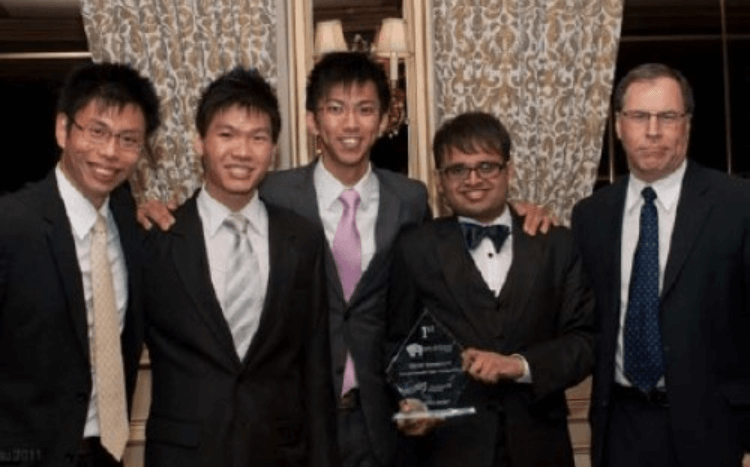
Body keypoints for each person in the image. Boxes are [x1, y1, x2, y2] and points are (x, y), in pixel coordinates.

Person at [140, 67, 339, 467]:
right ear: (200, 142)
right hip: (185, 454)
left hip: (280, 452)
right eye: (226, 134)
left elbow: (315, 366)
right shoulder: (156, 237)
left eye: (257, 137)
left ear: (273, 148)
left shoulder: (303, 239)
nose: (242, 151)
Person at [387, 111, 595, 467]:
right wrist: (414, 400)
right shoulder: (414, 247)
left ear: (508, 171)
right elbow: (396, 341)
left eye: (486, 166)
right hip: (448, 449)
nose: (473, 179)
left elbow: (587, 340)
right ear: (440, 180)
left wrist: (520, 366)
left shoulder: (557, 244)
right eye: (458, 169)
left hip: (541, 449)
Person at [571, 63, 750, 467]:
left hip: (718, 432)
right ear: (618, 125)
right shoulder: (590, 216)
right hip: (620, 428)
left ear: (686, 125)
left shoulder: (738, 204)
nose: (652, 131)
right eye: (638, 116)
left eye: (667, 116)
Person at [258, 52, 431, 467]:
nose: (351, 124)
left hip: (382, 416)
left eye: (365, 109)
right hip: (296, 415)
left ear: (385, 120)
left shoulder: (410, 198)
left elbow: (423, 305)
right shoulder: (272, 194)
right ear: (312, 121)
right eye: (336, 109)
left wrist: (422, 392)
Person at [0, 62, 160, 467]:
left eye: (128, 139)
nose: (110, 152)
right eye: (97, 131)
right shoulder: (11, 224)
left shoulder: (127, 219)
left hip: (105, 453)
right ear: (62, 130)